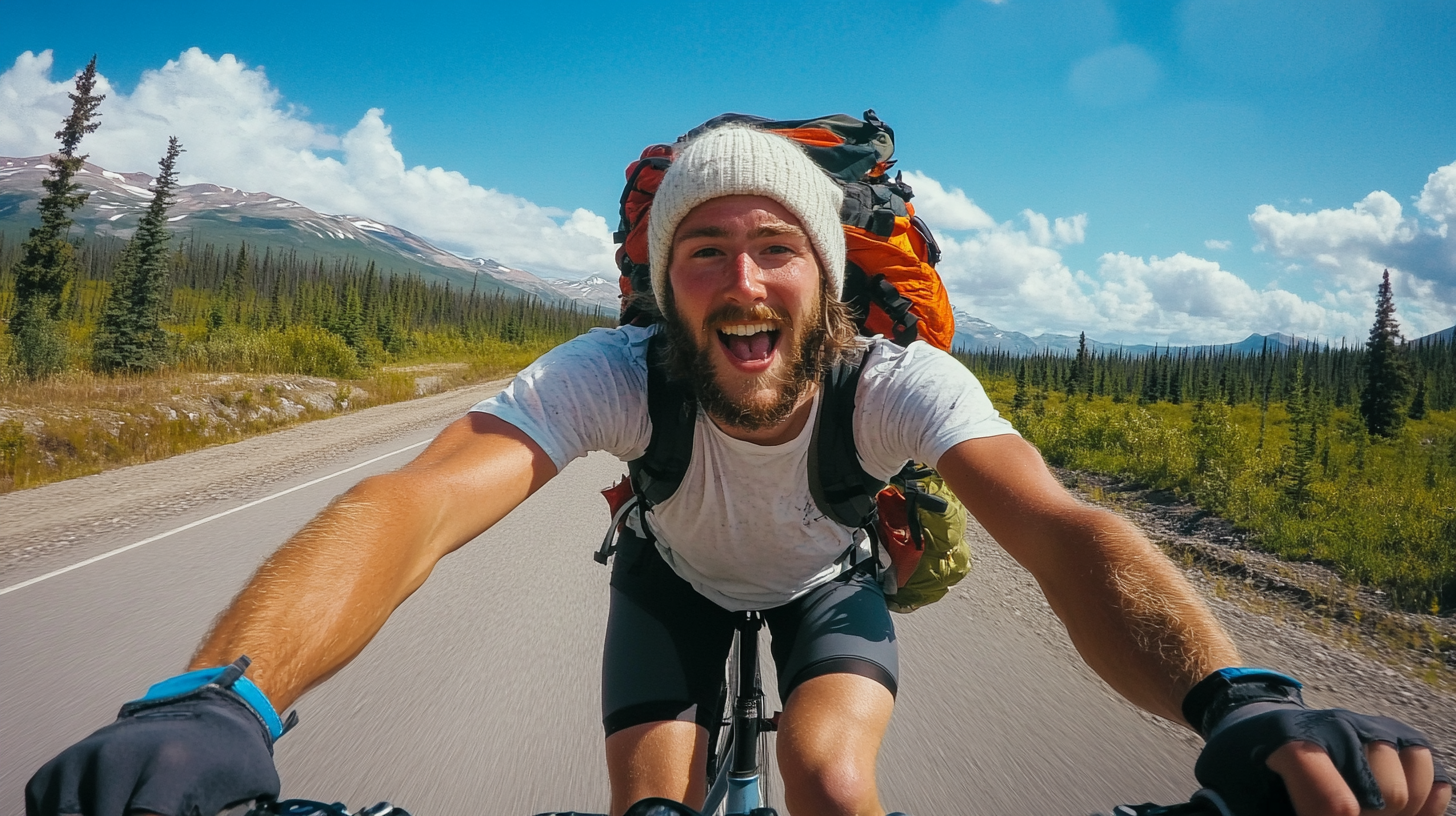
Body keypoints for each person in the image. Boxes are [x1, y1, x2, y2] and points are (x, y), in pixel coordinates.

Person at [28, 125, 1451, 816]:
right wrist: (222, 701)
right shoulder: (612, 373)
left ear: (824, 282)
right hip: (671, 592)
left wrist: (1238, 704)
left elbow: (1064, 530)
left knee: (833, 784)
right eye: (703, 250)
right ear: (666, 286)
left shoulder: (896, 382)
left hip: (832, 592)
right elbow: (410, 505)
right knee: (652, 809)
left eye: (778, 246)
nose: (741, 274)